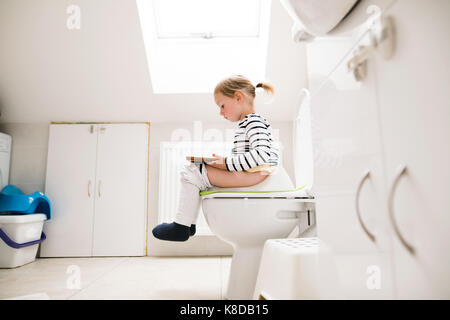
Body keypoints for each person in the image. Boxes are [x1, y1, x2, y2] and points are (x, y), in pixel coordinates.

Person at [152, 75, 280, 241]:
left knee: (192, 171)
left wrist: (226, 163)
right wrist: (222, 163)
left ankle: (182, 226)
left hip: (254, 175)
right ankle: (187, 225)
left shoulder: (253, 121)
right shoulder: (249, 122)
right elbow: (251, 155)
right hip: (252, 174)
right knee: (197, 171)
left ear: (238, 97)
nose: (220, 112)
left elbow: (262, 155)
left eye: (222, 105)